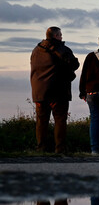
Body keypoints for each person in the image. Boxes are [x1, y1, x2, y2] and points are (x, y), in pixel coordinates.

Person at [29, 26, 79, 154]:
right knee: (60, 120)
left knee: (41, 121)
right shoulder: (62, 49)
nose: (62, 37)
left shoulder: (36, 50)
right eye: (60, 35)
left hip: (39, 92)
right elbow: (74, 64)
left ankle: (41, 148)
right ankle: (60, 148)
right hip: (58, 91)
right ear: (56, 36)